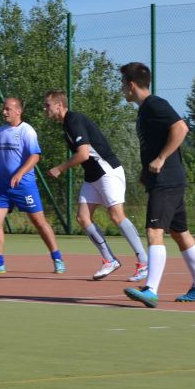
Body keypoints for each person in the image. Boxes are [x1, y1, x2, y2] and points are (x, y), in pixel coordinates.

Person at [117, 62, 195, 308]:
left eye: (122, 84)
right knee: (180, 232)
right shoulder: (145, 110)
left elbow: (181, 128)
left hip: (166, 180)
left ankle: (151, 290)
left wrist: (161, 158)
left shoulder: (154, 104)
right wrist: (146, 169)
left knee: (154, 231)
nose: (121, 89)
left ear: (131, 85)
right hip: (168, 179)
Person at [42, 90, 148, 281]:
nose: (44, 108)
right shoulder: (66, 124)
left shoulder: (73, 120)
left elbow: (83, 154)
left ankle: (144, 262)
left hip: (107, 171)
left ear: (59, 105)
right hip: (93, 175)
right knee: (83, 218)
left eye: (47, 105)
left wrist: (60, 168)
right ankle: (110, 260)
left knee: (116, 215)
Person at [0, 96, 66, 275]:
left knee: (38, 221)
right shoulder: (0, 131)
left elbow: (35, 156)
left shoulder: (27, 131)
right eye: (3, 109)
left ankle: (57, 258)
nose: (4, 112)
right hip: (3, 186)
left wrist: (20, 173)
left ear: (18, 111)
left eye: (8, 109)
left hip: (24, 185)